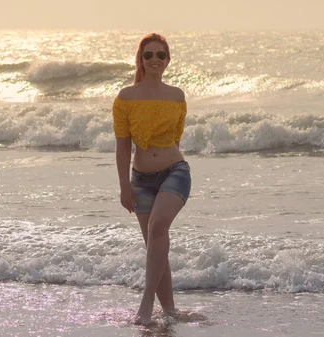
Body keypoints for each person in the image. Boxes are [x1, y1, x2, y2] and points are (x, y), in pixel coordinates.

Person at [112, 33, 191, 325]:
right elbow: (122, 146)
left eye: (161, 55)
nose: (155, 59)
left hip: (175, 172)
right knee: (156, 245)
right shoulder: (125, 98)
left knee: (158, 228)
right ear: (140, 59)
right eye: (149, 55)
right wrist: (123, 186)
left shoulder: (177, 96)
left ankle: (146, 303)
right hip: (141, 180)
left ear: (168, 60)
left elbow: (176, 138)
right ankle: (169, 311)